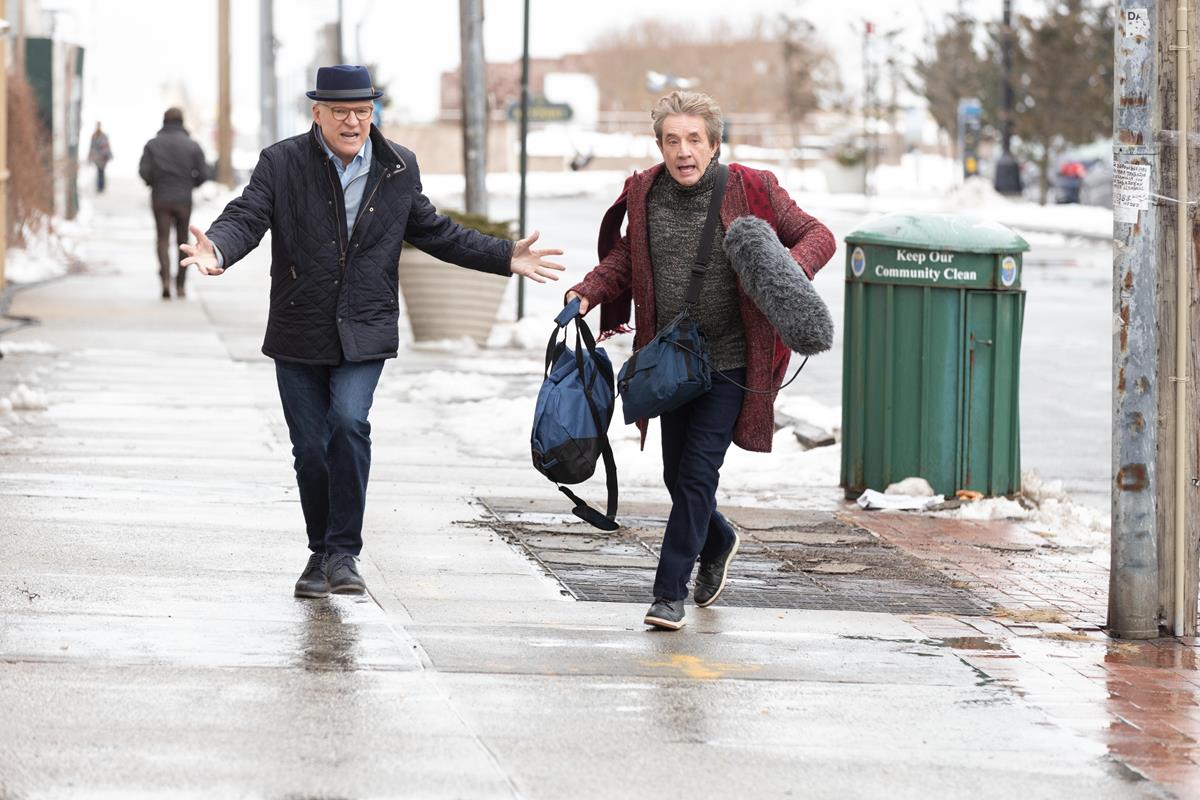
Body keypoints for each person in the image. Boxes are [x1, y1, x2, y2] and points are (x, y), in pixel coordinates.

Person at [179, 65, 564, 599]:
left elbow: (434, 230)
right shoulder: (282, 162)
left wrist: (504, 256)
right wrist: (217, 249)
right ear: (317, 113)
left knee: (349, 422)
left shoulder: (397, 166)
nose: (353, 121)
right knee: (311, 448)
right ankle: (322, 552)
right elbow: (248, 214)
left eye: (362, 111)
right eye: (341, 111)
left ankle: (344, 553)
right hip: (299, 324)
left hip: (364, 325)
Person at [566, 91, 835, 631]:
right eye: (672, 140)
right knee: (676, 475)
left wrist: (782, 272)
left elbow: (818, 236)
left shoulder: (753, 188)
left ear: (714, 145)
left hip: (731, 360)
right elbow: (624, 256)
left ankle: (669, 594)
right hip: (672, 361)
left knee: (695, 474)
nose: (683, 151)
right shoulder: (644, 192)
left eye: (694, 140)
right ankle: (719, 538)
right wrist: (588, 293)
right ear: (659, 145)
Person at [139, 107, 208, 299]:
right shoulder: (192, 145)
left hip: (160, 198)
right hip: (183, 200)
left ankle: (165, 280)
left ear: (164, 121)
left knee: (162, 239)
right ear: (182, 121)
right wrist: (190, 184)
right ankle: (180, 285)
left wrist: (154, 182)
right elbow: (204, 173)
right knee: (182, 241)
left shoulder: (153, 145)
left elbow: (144, 171)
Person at [87, 123, 112, 193]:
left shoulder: (103, 136)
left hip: (103, 158)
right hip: (98, 158)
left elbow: (107, 147)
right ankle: (99, 187)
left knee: (101, 172)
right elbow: (91, 147)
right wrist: (90, 157)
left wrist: (108, 155)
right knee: (99, 172)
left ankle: (101, 187)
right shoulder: (94, 136)